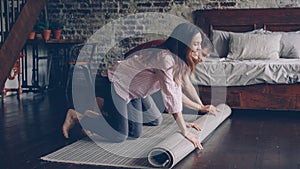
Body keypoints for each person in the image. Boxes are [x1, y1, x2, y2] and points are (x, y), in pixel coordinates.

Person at [62, 22, 219, 150]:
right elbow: (172, 95)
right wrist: (184, 130)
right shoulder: (165, 59)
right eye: (196, 45)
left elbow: (179, 88)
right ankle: (78, 117)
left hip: (134, 91)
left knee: (135, 132)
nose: (198, 50)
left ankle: (104, 108)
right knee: (119, 136)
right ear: (183, 43)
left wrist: (200, 107)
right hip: (117, 83)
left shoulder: (179, 61)